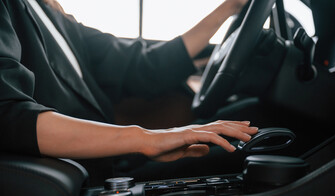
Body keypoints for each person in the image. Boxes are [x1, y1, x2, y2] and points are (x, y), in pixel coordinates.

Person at [0, 0, 257, 183]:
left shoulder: (50, 13)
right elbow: (8, 114)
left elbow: (142, 67)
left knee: (248, 116)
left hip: (112, 163)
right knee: (253, 135)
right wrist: (146, 139)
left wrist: (230, 7)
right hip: (81, 179)